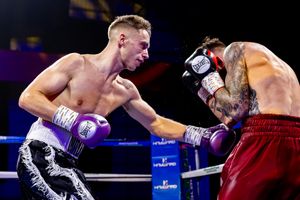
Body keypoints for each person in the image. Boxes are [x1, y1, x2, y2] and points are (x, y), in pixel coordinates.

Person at [16, 15, 236, 200]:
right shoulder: (76, 64)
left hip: (68, 162)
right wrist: (72, 120)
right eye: (143, 46)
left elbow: (156, 123)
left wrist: (201, 136)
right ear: (122, 39)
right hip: (40, 153)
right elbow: (28, 97)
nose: (147, 55)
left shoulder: (125, 90)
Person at [183, 36, 300, 199]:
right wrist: (203, 92)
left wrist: (208, 77)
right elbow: (229, 119)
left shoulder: (235, 49)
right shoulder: (272, 64)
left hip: (264, 139)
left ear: (211, 59)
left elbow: (235, 109)